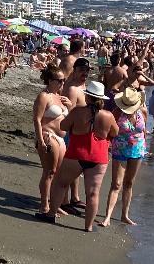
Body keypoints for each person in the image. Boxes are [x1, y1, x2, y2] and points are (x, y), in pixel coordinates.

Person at [39, 81, 118, 232]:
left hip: (77, 152)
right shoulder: (108, 115)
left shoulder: (77, 112)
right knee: (93, 193)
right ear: (101, 99)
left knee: (61, 184)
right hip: (98, 157)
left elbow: (63, 126)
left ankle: (51, 214)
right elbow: (115, 132)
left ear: (87, 97)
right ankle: (88, 226)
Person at [100, 87, 147, 227]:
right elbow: (109, 130)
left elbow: (145, 130)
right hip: (120, 149)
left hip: (137, 149)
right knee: (116, 184)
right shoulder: (117, 112)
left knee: (129, 183)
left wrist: (144, 145)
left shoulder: (143, 111)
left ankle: (124, 215)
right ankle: (107, 216)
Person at [32, 67, 69, 215]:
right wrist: (40, 139)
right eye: (59, 80)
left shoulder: (59, 96)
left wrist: (70, 106)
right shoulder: (44, 96)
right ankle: (44, 205)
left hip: (61, 138)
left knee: (58, 173)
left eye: (63, 80)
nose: (62, 83)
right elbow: (37, 119)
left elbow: (67, 118)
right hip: (48, 135)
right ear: (50, 80)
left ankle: (54, 204)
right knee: (49, 171)